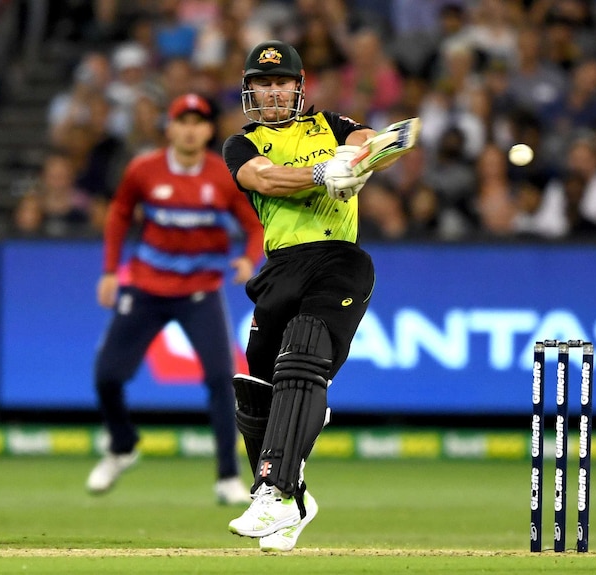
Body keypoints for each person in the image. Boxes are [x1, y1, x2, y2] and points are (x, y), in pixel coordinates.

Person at [221, 40, 406, 552]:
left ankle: (277, 492)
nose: (273, 92)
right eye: (263, 83)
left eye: (282, 82)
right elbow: (264, 179)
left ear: (298, 87)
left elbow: (374, 140)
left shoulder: (332, 125)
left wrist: (356, 160)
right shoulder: (242, 143)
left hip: (337, 262)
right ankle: (294, 496)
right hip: (280, 268)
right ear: (250, 89)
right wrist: (323, 175)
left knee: (302, 358)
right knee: (256, 389)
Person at [86, 93, 264, 506]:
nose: (189, 129)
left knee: (223, 380)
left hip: (200, 292)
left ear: (207, 130)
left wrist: (247, 259)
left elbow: (253, 224)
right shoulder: (143, 170)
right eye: (181, 121)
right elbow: (118, 215)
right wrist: (111, 272)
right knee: (107, 376)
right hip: (146, 287)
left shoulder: (223, 177)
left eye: (198, 122)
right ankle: (122, 446)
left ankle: (227, 478)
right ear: (169, 127)